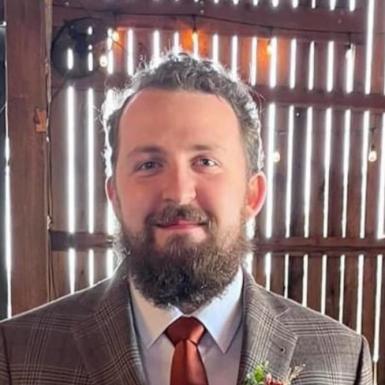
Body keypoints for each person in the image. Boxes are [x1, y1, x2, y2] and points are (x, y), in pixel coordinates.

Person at [0, 52, 372, 385]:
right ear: (114, 195)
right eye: (149, 164)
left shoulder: (341, 361)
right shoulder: (18, 355)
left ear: (251, 194)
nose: (178, 193)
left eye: (205, 162)